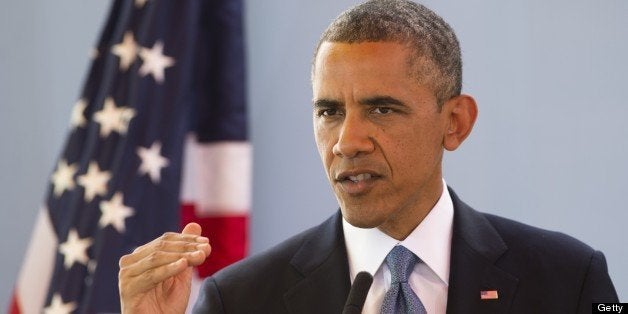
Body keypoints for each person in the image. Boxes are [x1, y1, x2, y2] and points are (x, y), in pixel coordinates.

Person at [118, 1, 618, 313]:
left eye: (382, 108)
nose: (347, 141)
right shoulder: (240, 300)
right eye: (329, 111)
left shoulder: (569, 280)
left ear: (456, 122)